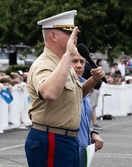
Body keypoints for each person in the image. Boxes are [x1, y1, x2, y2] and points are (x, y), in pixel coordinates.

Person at [24, 10, 105, 167]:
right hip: (51, 138)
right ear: (54, 36)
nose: (74, 39)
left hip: (65, 140)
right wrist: (68, 55)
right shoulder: (45, 64)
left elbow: (75, 94)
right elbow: (49, 93)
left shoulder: (61, 63)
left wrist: (93, 80)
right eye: (70, 34)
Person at [71, 51, 104, 167]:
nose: (79, 65)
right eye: (74, 61)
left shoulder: (85, 83)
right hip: (68, 148)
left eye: (82, 62)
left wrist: (92, 133)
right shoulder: (65, 87)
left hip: (84, 148)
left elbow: (80, 120)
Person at [83, 53, 104, 129]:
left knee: (93, 106)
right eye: (93, 58)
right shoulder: (87, 67)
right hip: (92, 89)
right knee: (91, 106)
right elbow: (84, 77)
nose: (94, 60)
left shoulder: (92, 67)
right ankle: (92, 124)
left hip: (95, 89)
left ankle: (94, 123)